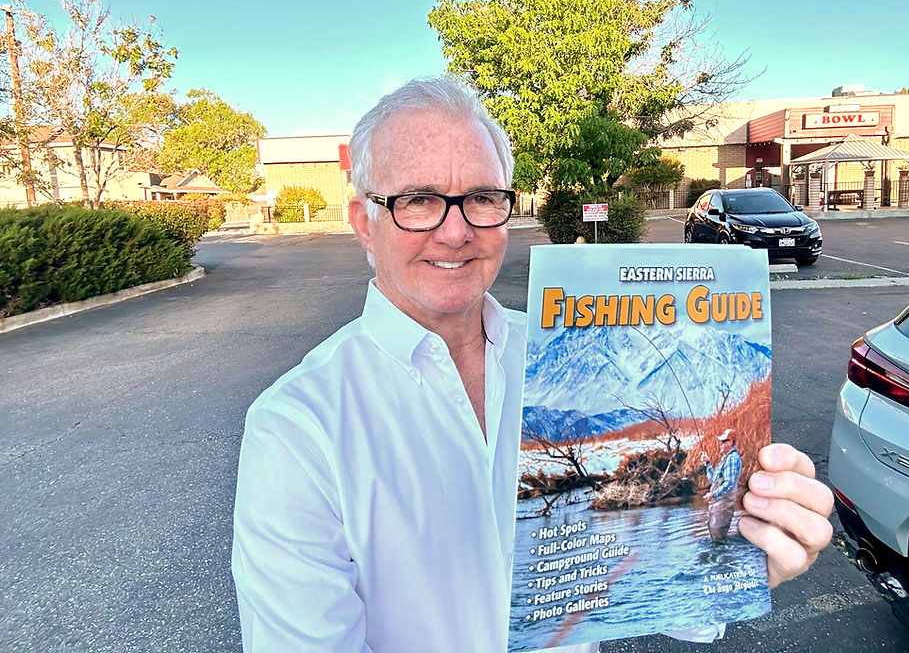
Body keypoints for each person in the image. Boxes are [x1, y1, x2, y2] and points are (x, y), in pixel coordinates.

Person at [231, 77, 835, 653]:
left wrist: (746, 557)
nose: (455, 231)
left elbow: (655, 586)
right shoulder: (297, 427)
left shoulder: (552, 350)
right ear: (364, 222)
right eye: (417, 200)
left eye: (481, 198)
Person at [701, 428, 742, 542]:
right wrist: (707, 464)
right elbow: (714, 479)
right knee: (714, 532)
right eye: (721, 442)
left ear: (731, 442)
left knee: (718, 537)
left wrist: (713, 494)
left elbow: (729, 483)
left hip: (724, 502)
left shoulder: (732, 458)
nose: (721, 444)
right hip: (718, 502)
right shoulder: (726, 458)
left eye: (724, 441)